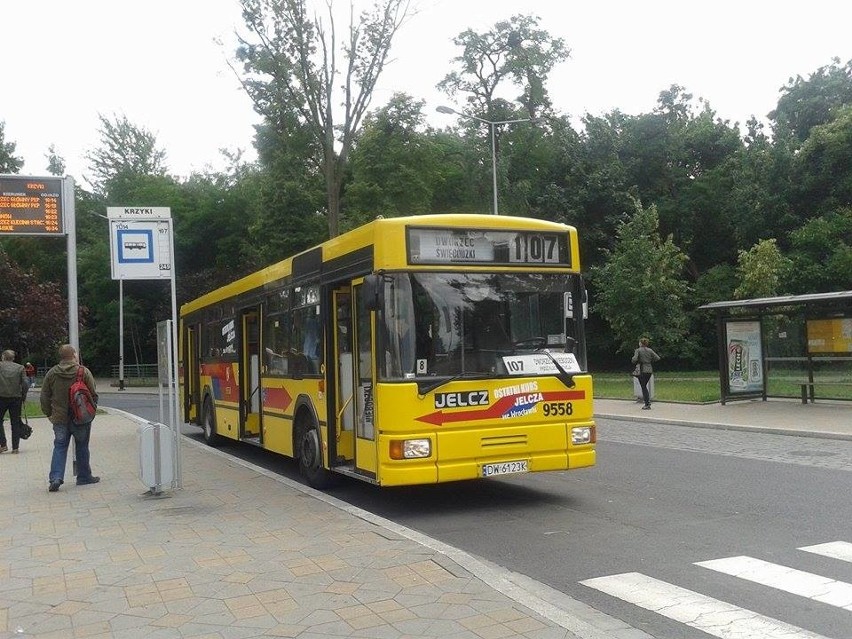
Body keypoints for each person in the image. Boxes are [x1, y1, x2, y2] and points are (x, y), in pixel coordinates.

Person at [40, 344, 100, 492]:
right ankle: (84, 476)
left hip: (59, 418)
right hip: (81, 417)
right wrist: (91, 412)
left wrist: (48, 413)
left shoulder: (52, 373)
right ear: (73, 355)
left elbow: (44, 396)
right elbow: (93, 393)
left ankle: (56, 478)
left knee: (59, 446)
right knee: (82, 446)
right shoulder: (83, 371)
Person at [0, 349, 28, 454]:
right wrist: (23, 395)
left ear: (3, 357)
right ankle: (15, 448)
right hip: (16, 398)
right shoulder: (20, 368)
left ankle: (3, 444)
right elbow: (25, 383)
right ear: (13, 358)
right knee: (15, 422)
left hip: (1, 397)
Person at [631, 337, 660, 410]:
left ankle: (647, 404)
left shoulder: (638, 350)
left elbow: (634, 360)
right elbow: (657, 358)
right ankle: (647, 402)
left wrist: (638, 359)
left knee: (643, 387)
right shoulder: (650, 350)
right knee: (644, 386)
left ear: (640, 343)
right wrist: (649, 360)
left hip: (642, 369)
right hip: (649, 370)